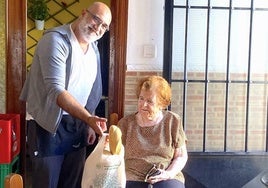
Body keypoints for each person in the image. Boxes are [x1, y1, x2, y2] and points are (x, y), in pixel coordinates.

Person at [19, 2, 112, 188]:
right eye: (96, 19)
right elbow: (56, 91)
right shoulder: (55, 40)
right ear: (84, 13)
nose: (98, 27)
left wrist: (88, 124)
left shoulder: (94, 49)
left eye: (104, 26)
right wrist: (89, 118)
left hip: (77, 125)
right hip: (47, 123)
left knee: (72, 183)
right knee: (47, 183)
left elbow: (93, 89)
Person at [118, 75, 188, 188]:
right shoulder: (126, 123)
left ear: (162, 104)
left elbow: (180, 156)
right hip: (132, 177)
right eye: (141, 98)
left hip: (164, 175)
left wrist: (168, 174)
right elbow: (115, 155)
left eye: (150, 101)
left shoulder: (172, 121)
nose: (143, 104)